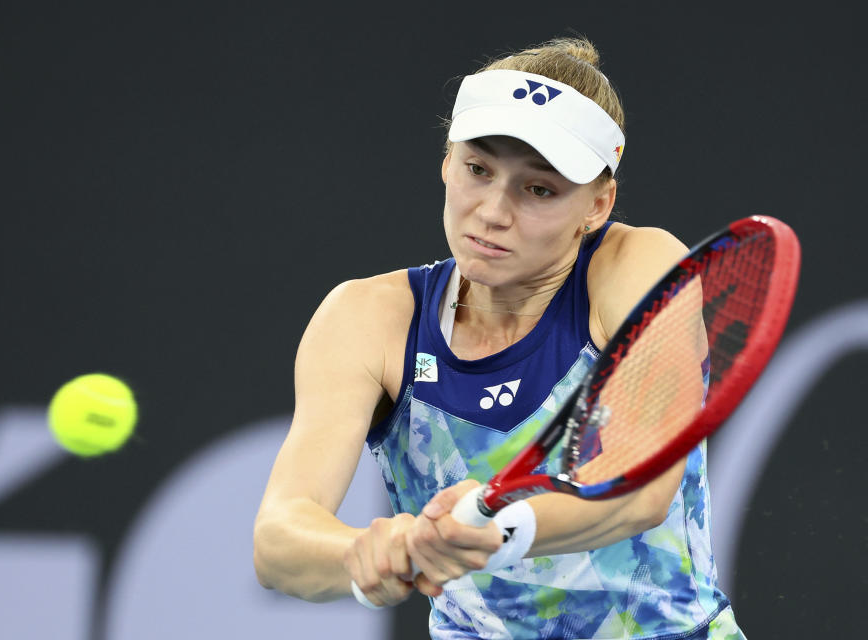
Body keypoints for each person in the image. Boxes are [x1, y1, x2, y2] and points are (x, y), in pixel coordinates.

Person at [254, 37, 745, 639]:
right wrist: (364, 553)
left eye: (538, 189)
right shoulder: (366, 317)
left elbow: (639, 491)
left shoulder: (639, 266)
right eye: (477, 169)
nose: (491, 211)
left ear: (598, 203)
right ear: (445, 161)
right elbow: (278, 539)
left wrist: (494, 531)